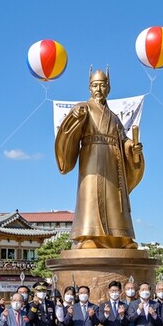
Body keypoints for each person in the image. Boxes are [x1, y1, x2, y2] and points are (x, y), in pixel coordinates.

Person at [54, 68, 145, 250]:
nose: (98, 89)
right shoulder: (84, 108)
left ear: (108, 89)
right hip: (91, 157)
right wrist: (74, 116)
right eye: (95, 85)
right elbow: (68, 131)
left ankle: (120, 239)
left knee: (114, 198)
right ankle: (89, 236)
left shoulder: (113, 117)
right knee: (91, 195)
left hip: (113, 159)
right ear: (89, 88)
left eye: (103, 85)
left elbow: (123, 140)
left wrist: (132, 148)